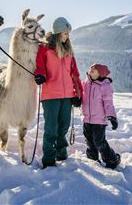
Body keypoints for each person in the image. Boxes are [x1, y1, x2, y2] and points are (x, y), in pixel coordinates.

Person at [34, 17, 83, 168]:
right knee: (51, 128)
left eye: (68, 32)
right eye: (65, 32)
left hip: (67, 95)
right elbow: (39, 65)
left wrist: (78, 94)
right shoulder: (45, 49)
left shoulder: (69, 52)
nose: (68, 35)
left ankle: (61, 154)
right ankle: (49, 159)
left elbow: (74, 74)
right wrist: (40, 74)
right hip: (51, 95)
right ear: (58, 32)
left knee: (63, 126)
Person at [81, 63, 121, 169]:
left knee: (99, 142)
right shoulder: (85, 83)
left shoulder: (104, 86)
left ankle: (112, 159)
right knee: (89, 141)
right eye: (91, 69)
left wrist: (112, 116)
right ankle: (92, 159)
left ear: (100, 74)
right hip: (87, 118)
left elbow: (108, 103)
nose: (91, 71)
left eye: (94, 70)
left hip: (99, 120)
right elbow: (79, 92)